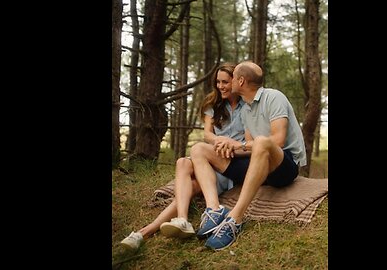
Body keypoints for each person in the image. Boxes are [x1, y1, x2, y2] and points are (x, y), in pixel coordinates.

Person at [120, 62, 248, 249]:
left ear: (236, 82)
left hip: (227, 163)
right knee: (182, 162)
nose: (221, 86)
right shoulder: (214, 104)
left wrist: (230, 145)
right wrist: (219, 142)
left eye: (225, 82)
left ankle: (144, 233)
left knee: (188, 191)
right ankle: (182, 219)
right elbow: (207, 134)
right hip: (209, 155)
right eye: (218, 82)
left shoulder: (248, 106)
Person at [190, 60, 307, 250]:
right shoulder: (246, 108)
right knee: (199, 149)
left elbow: (277, 140)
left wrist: (240, 145)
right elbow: (247, 146)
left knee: (262, 141)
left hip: (283, 166)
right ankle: (214, 209)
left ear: (241, 81)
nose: (229, 82)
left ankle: (235, 219)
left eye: (233, 78)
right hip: (257, 165)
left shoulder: (274, 97)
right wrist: (229, 147)